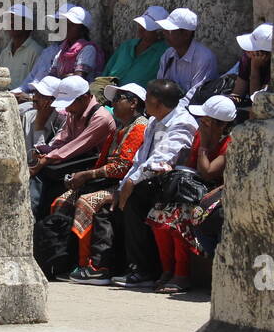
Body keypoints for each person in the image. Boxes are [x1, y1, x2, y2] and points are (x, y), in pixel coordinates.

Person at [50, 83, 150, 284]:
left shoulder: (140, 126)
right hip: (106, 181)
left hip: (123, 184)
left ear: (133, 103)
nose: (113, 103)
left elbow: (122, 167)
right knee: (62, 201)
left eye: (118, 99)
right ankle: (64, 261)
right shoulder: (121, 127)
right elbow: (103, 161)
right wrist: (83, 177)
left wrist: (87, 175)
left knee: (88, 203)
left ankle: (96, 265)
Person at [144, 94, 237, 293]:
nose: (201, 124)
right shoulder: (198, 135)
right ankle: (167, 270)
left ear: (220, 125)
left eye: (206, 121)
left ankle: (182, 274)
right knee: (158, 216)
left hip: (216, 194)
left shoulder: (230, 143)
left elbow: (209, 171)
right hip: (195, 190)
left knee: (179, 218)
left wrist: (204, 145)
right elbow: (190, 168)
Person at [111, 79, 199, 287]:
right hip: (151, 179)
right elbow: (141, 159)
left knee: (136, 197)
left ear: (157, 102)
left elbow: (163, 159)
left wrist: (132, 183)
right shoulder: (153, 121)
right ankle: (122, 266)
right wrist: (125, 183)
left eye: (148, 98)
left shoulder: (182, 122)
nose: (144, 103)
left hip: (174, 183)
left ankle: (144, 270)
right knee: (119, 198)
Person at [28, 75, 114, 218]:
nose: (67, 108)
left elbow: (77, 146)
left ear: (85, 97)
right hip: (75, 160)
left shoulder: (101, 118)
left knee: (41, 174)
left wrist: (47, 159)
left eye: (71, 103)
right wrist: (46, 151)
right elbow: (63, 138)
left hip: (93, 166)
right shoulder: (73, 112)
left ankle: (32, 216)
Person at [99, 6, 169, 92]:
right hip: (108, 94)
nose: (141, 29)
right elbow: (107, 71)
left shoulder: (164, 52)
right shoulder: (127, 46)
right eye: (140, 24)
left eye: (146, 28)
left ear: (159, 32)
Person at [155, 8, 218, 97]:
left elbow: (195, 96)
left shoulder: (204, 58)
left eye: (169, 30)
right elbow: (159, 87)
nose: (164, 33)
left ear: (186, 34)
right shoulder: (168, 55)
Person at [48, 5, 103, 80]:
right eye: (66, 23)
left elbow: (78, 78)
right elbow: (51, 76)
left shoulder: (88, 49)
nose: (67, 27)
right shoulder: (63, 49)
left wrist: (59, 79)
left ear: (82, 30)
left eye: (72, 25)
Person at [0, 4, 44, 90]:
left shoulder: (36, 52)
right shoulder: (5, 52)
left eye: (15, 20)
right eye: (9, 20)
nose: (11, 23)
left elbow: (36, 84)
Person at [22, 76, 62, 152]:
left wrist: (39, 126)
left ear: (53, 101)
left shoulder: (61, 123)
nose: (35, 98)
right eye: (35, 93)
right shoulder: (28, 117)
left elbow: (41, 156)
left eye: (41, 96)